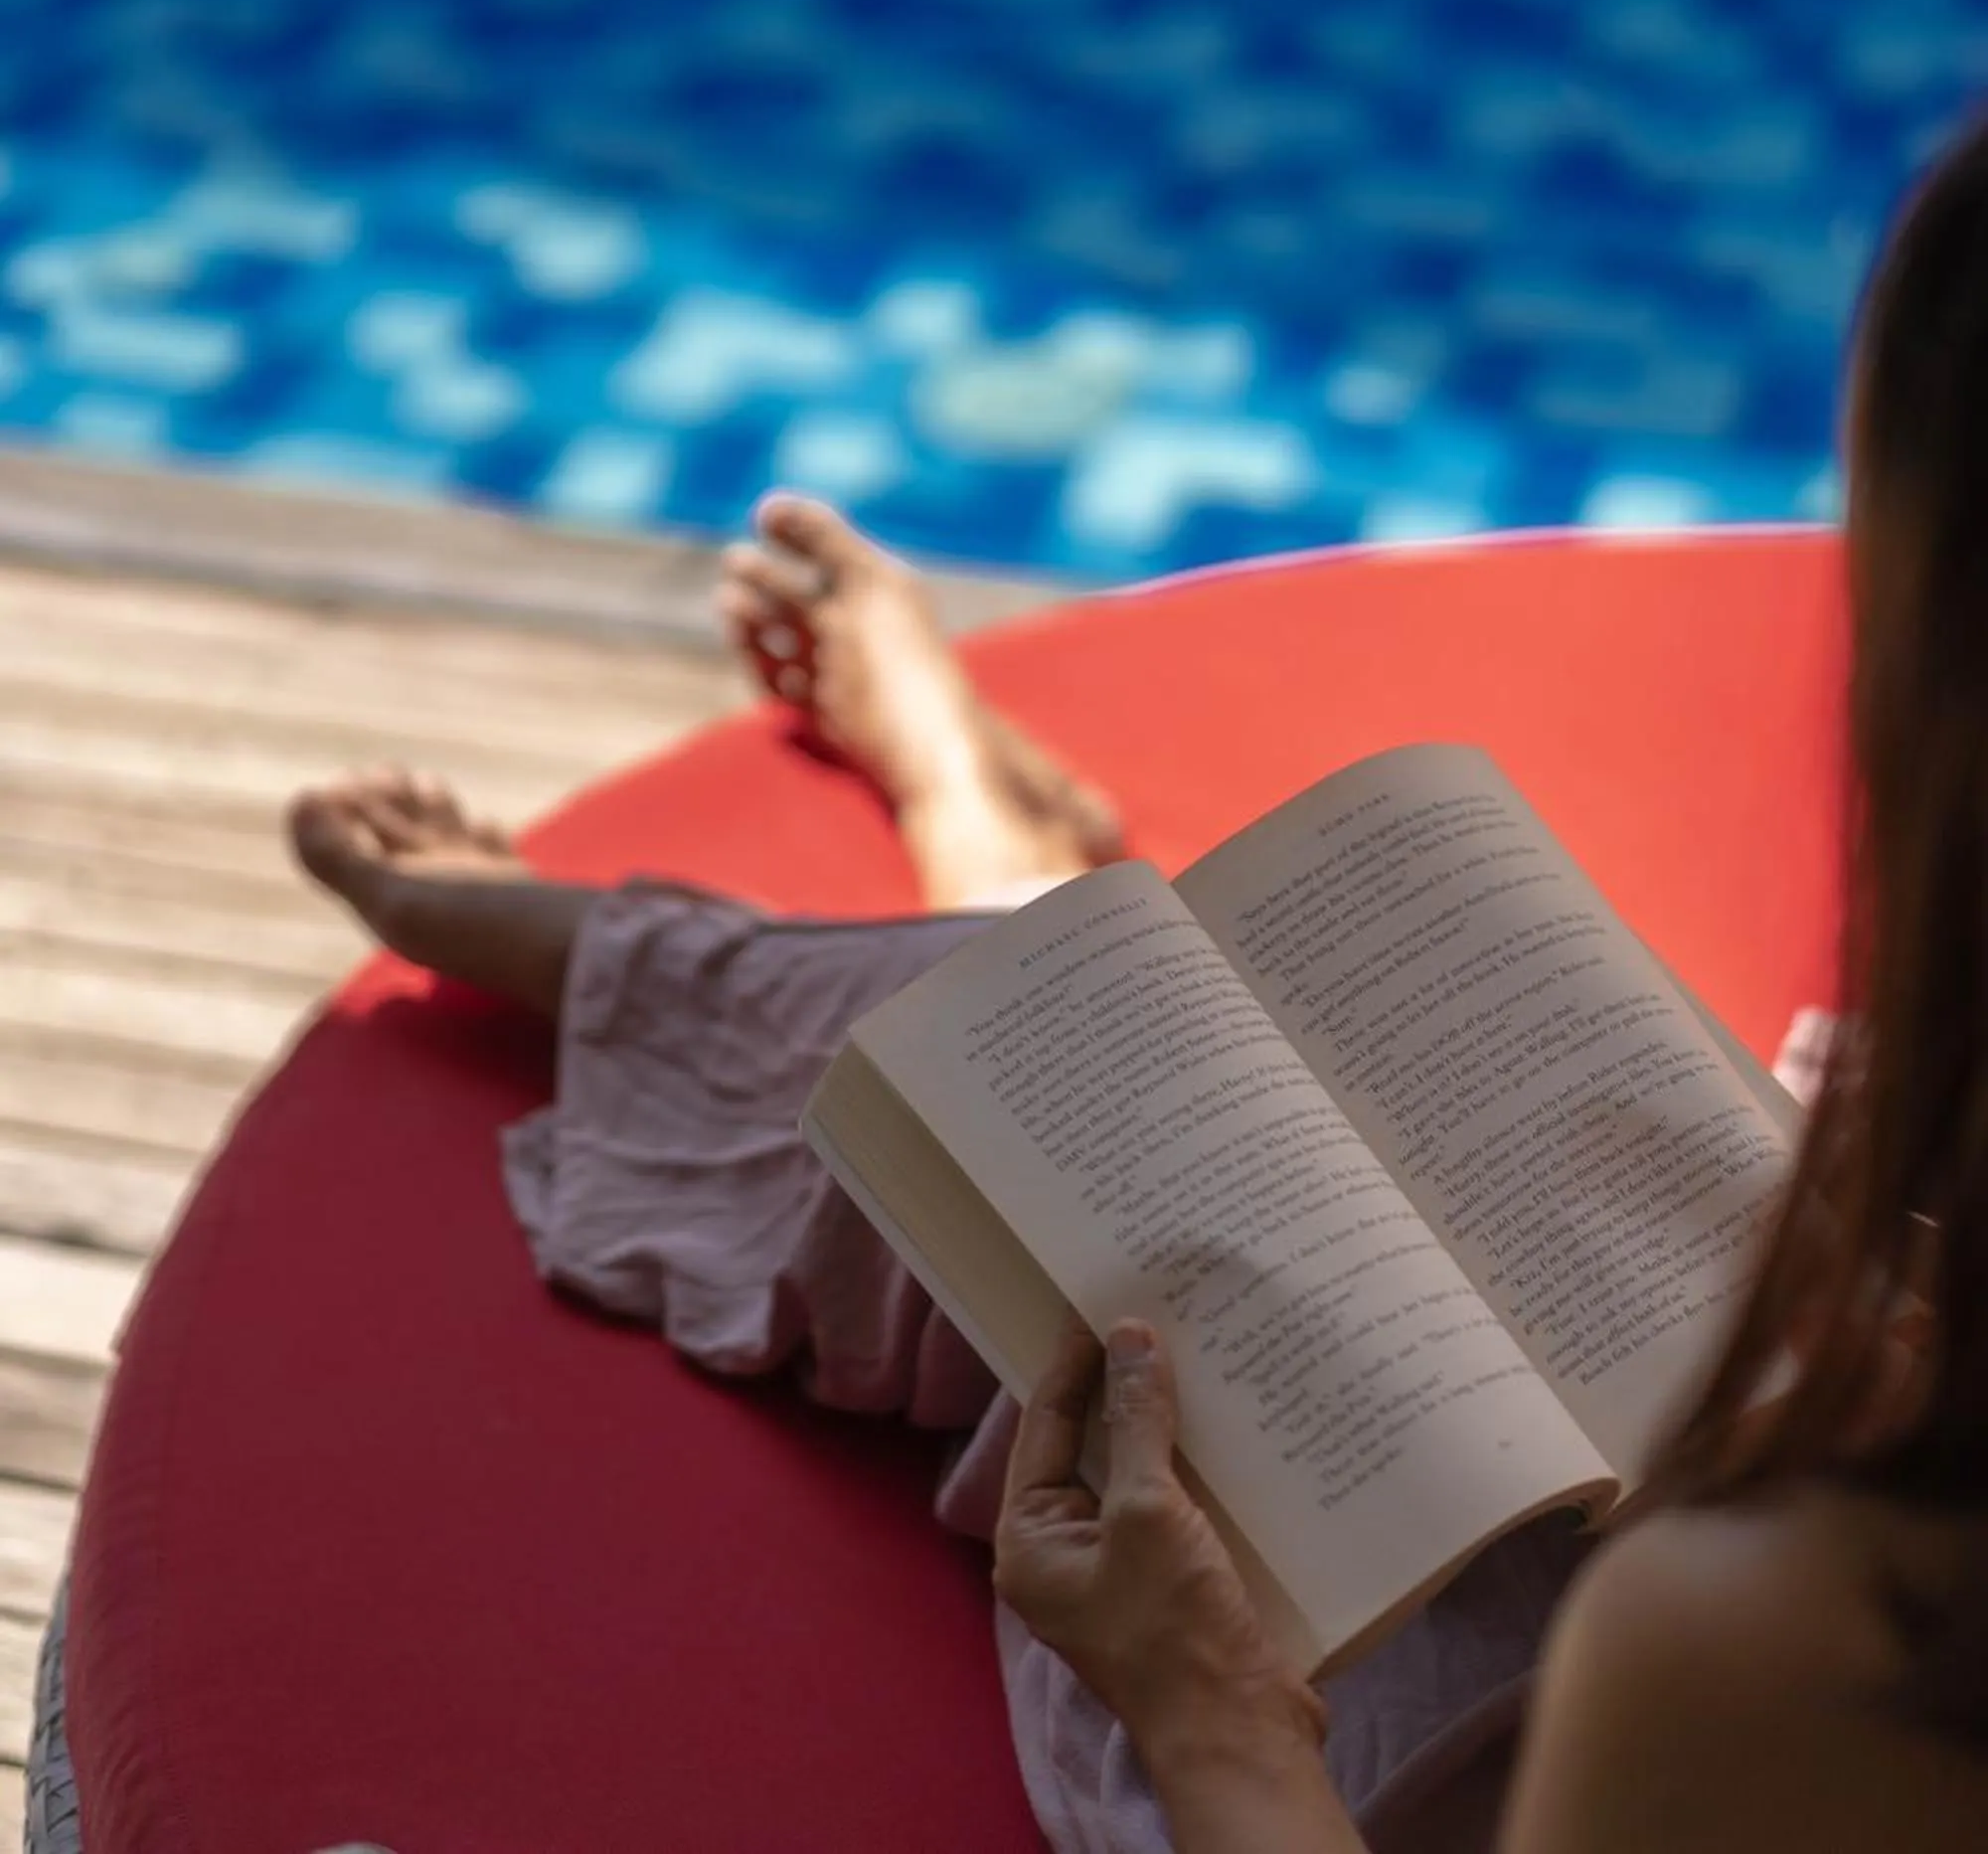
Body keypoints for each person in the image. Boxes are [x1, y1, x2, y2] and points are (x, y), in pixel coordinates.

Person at [289, 119, 1988, 1852]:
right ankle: (998, 891)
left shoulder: (1774, 1654)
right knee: (1214, 1146)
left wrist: (1202, 1704)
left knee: (1112, 1272)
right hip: (1793, 1475)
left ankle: (946, 886)